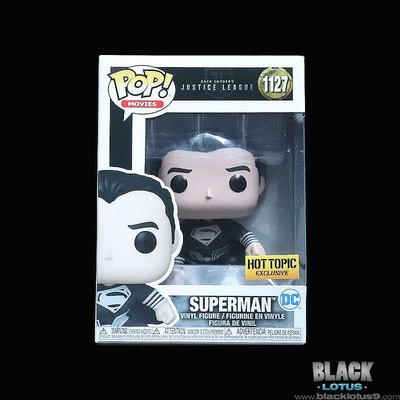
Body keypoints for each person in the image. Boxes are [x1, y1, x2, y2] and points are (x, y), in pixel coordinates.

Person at [158, 133, 266, 266]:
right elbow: (180, 247)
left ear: (259, 184)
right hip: (192, 266)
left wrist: (253, 244)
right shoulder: (185, 228)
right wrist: (178, 267)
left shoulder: (227, 225)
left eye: (237, 182)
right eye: (179, 183)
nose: (208, 194)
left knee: (232, 264)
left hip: (224, 264)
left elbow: (242, 234)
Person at [96, 169, 181, 327]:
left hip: (124, 323)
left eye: (144, 241)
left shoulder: (135, 288)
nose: (108, 255)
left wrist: (162, 307)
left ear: (173, 242)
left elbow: (151, 297)